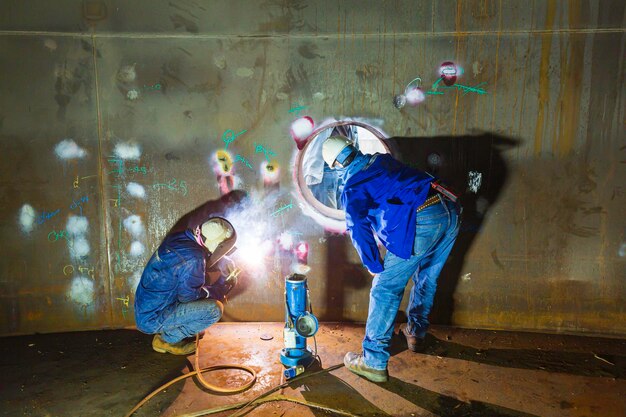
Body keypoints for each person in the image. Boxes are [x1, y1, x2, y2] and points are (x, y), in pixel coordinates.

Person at [322, 135, 461, 383]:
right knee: (427, 278)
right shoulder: (380, 160)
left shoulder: (352, 186)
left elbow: (357, 227)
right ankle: (416, 334)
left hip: (422, 219)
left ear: (335, 165)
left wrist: (373, 264)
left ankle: (373, 361)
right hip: (448, 208)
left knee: (385, 289)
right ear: (353, 149)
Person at [134, 193, 244, 355]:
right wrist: (218, 289)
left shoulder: (181, 238)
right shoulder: (194, 258)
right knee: (214, 310)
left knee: (199, 310)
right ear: (217, 245)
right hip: (152, 317)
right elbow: (188, 299)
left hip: (146, 306)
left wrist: (215, 268)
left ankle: (180, 327)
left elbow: (182, 270)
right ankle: (167, 340)